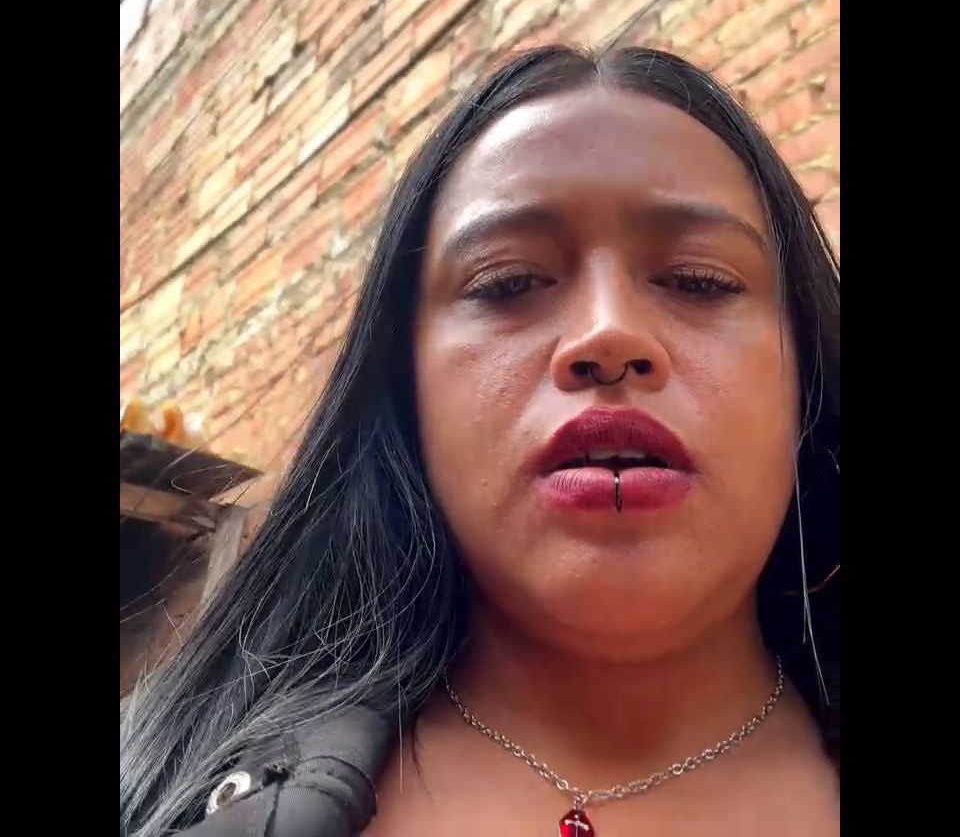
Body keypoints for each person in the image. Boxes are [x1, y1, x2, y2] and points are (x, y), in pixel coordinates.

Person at [120, 45, 840, 836]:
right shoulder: (167, 787)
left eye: (700, 281)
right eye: (507, 283)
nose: (608, 334)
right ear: (408, 388)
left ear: (805, 370)